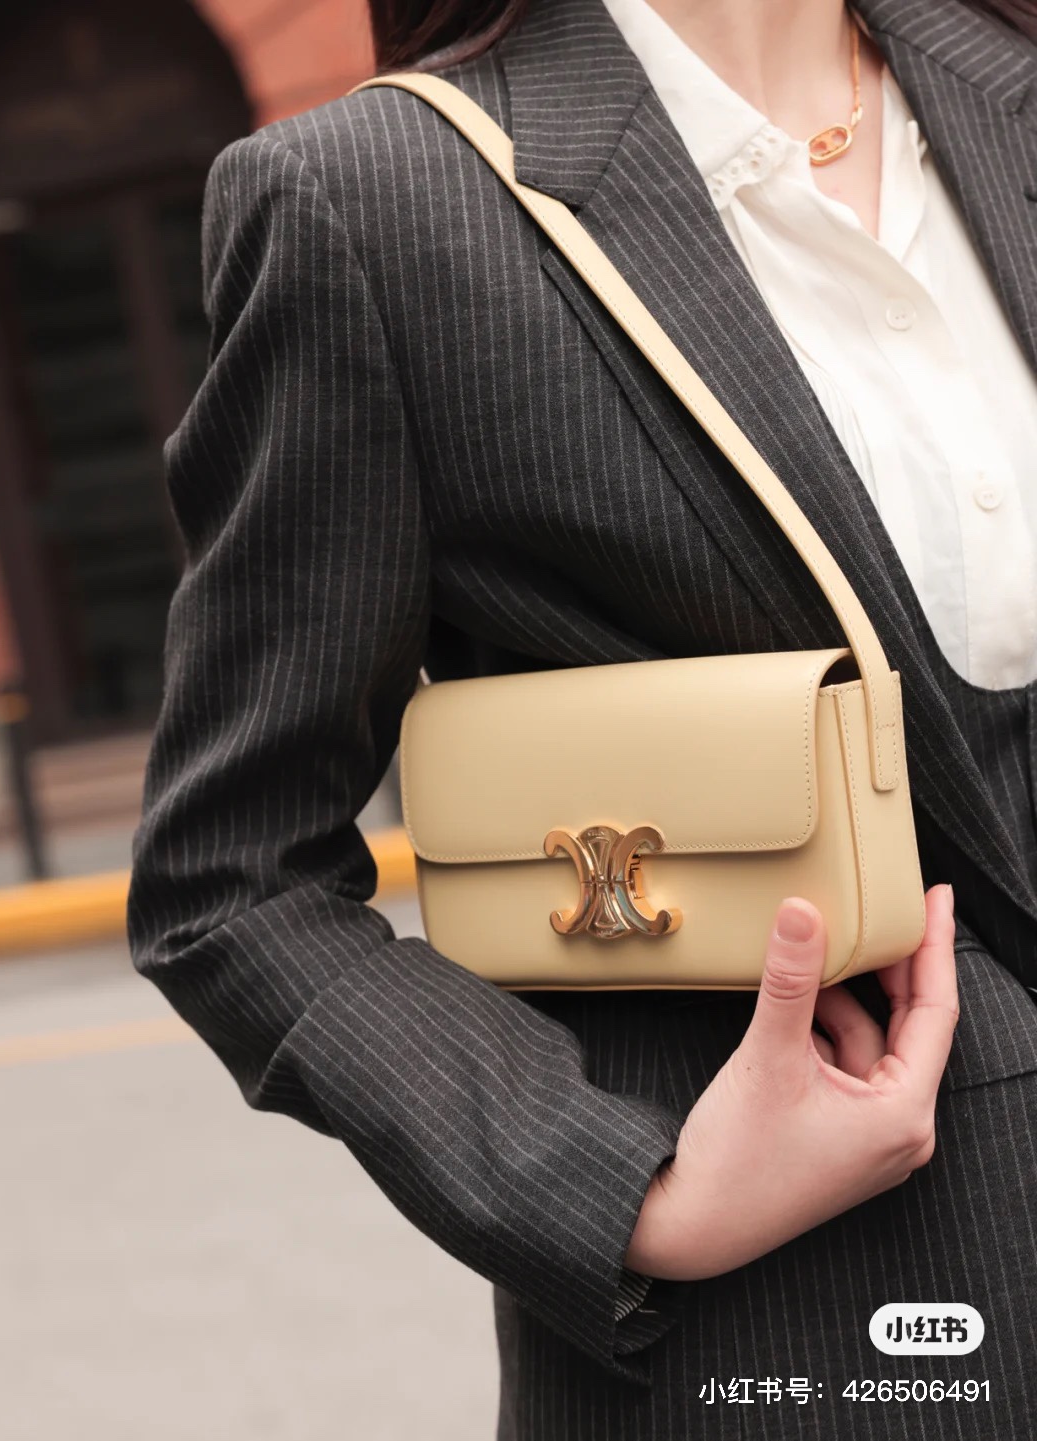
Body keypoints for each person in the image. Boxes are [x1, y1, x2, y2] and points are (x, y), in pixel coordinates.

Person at [126, 0, 1037, 1433]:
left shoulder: (1003, 82)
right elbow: (229, 881)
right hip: (818, 1343)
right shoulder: (379, 205)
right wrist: (630, 1192)